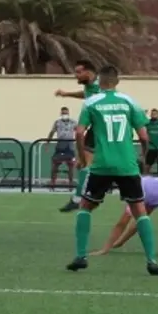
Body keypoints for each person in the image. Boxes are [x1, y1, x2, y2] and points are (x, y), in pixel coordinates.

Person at [66, 65, 158, 276]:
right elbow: (144, 137)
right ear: (117, 81)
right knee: (139, 211)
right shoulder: (130, 102)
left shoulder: (91, 102)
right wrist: (143, 157)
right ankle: (151, 260)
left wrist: (82, 157)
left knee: (85, 206)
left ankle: (81, 256)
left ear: (99, 81)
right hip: (127, 164)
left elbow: (79, 132)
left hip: (102, 164)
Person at [55, 60, 99, 212]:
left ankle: (80, 197)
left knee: (86, 163)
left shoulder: (100, 87)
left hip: (100, 129)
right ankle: (81, 195)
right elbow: (85, 94)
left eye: (79, 72)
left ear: (88, 72)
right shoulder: (90, 87)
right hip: (95, 129)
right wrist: (67, 94)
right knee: (82, 163)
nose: (76, 75)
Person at [48, 106, 77, 189]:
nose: (65, 114)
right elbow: (52, 132)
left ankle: (70, 184)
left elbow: (79, 132)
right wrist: (47, 142)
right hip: (60, 146)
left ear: (69, 113)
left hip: (70, 146)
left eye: (66, 113)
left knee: (71, 166)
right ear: (61, 114)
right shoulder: (57, 122)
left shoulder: (73, 122)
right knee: (55, 165)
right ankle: (52, 184)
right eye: (63, 113)